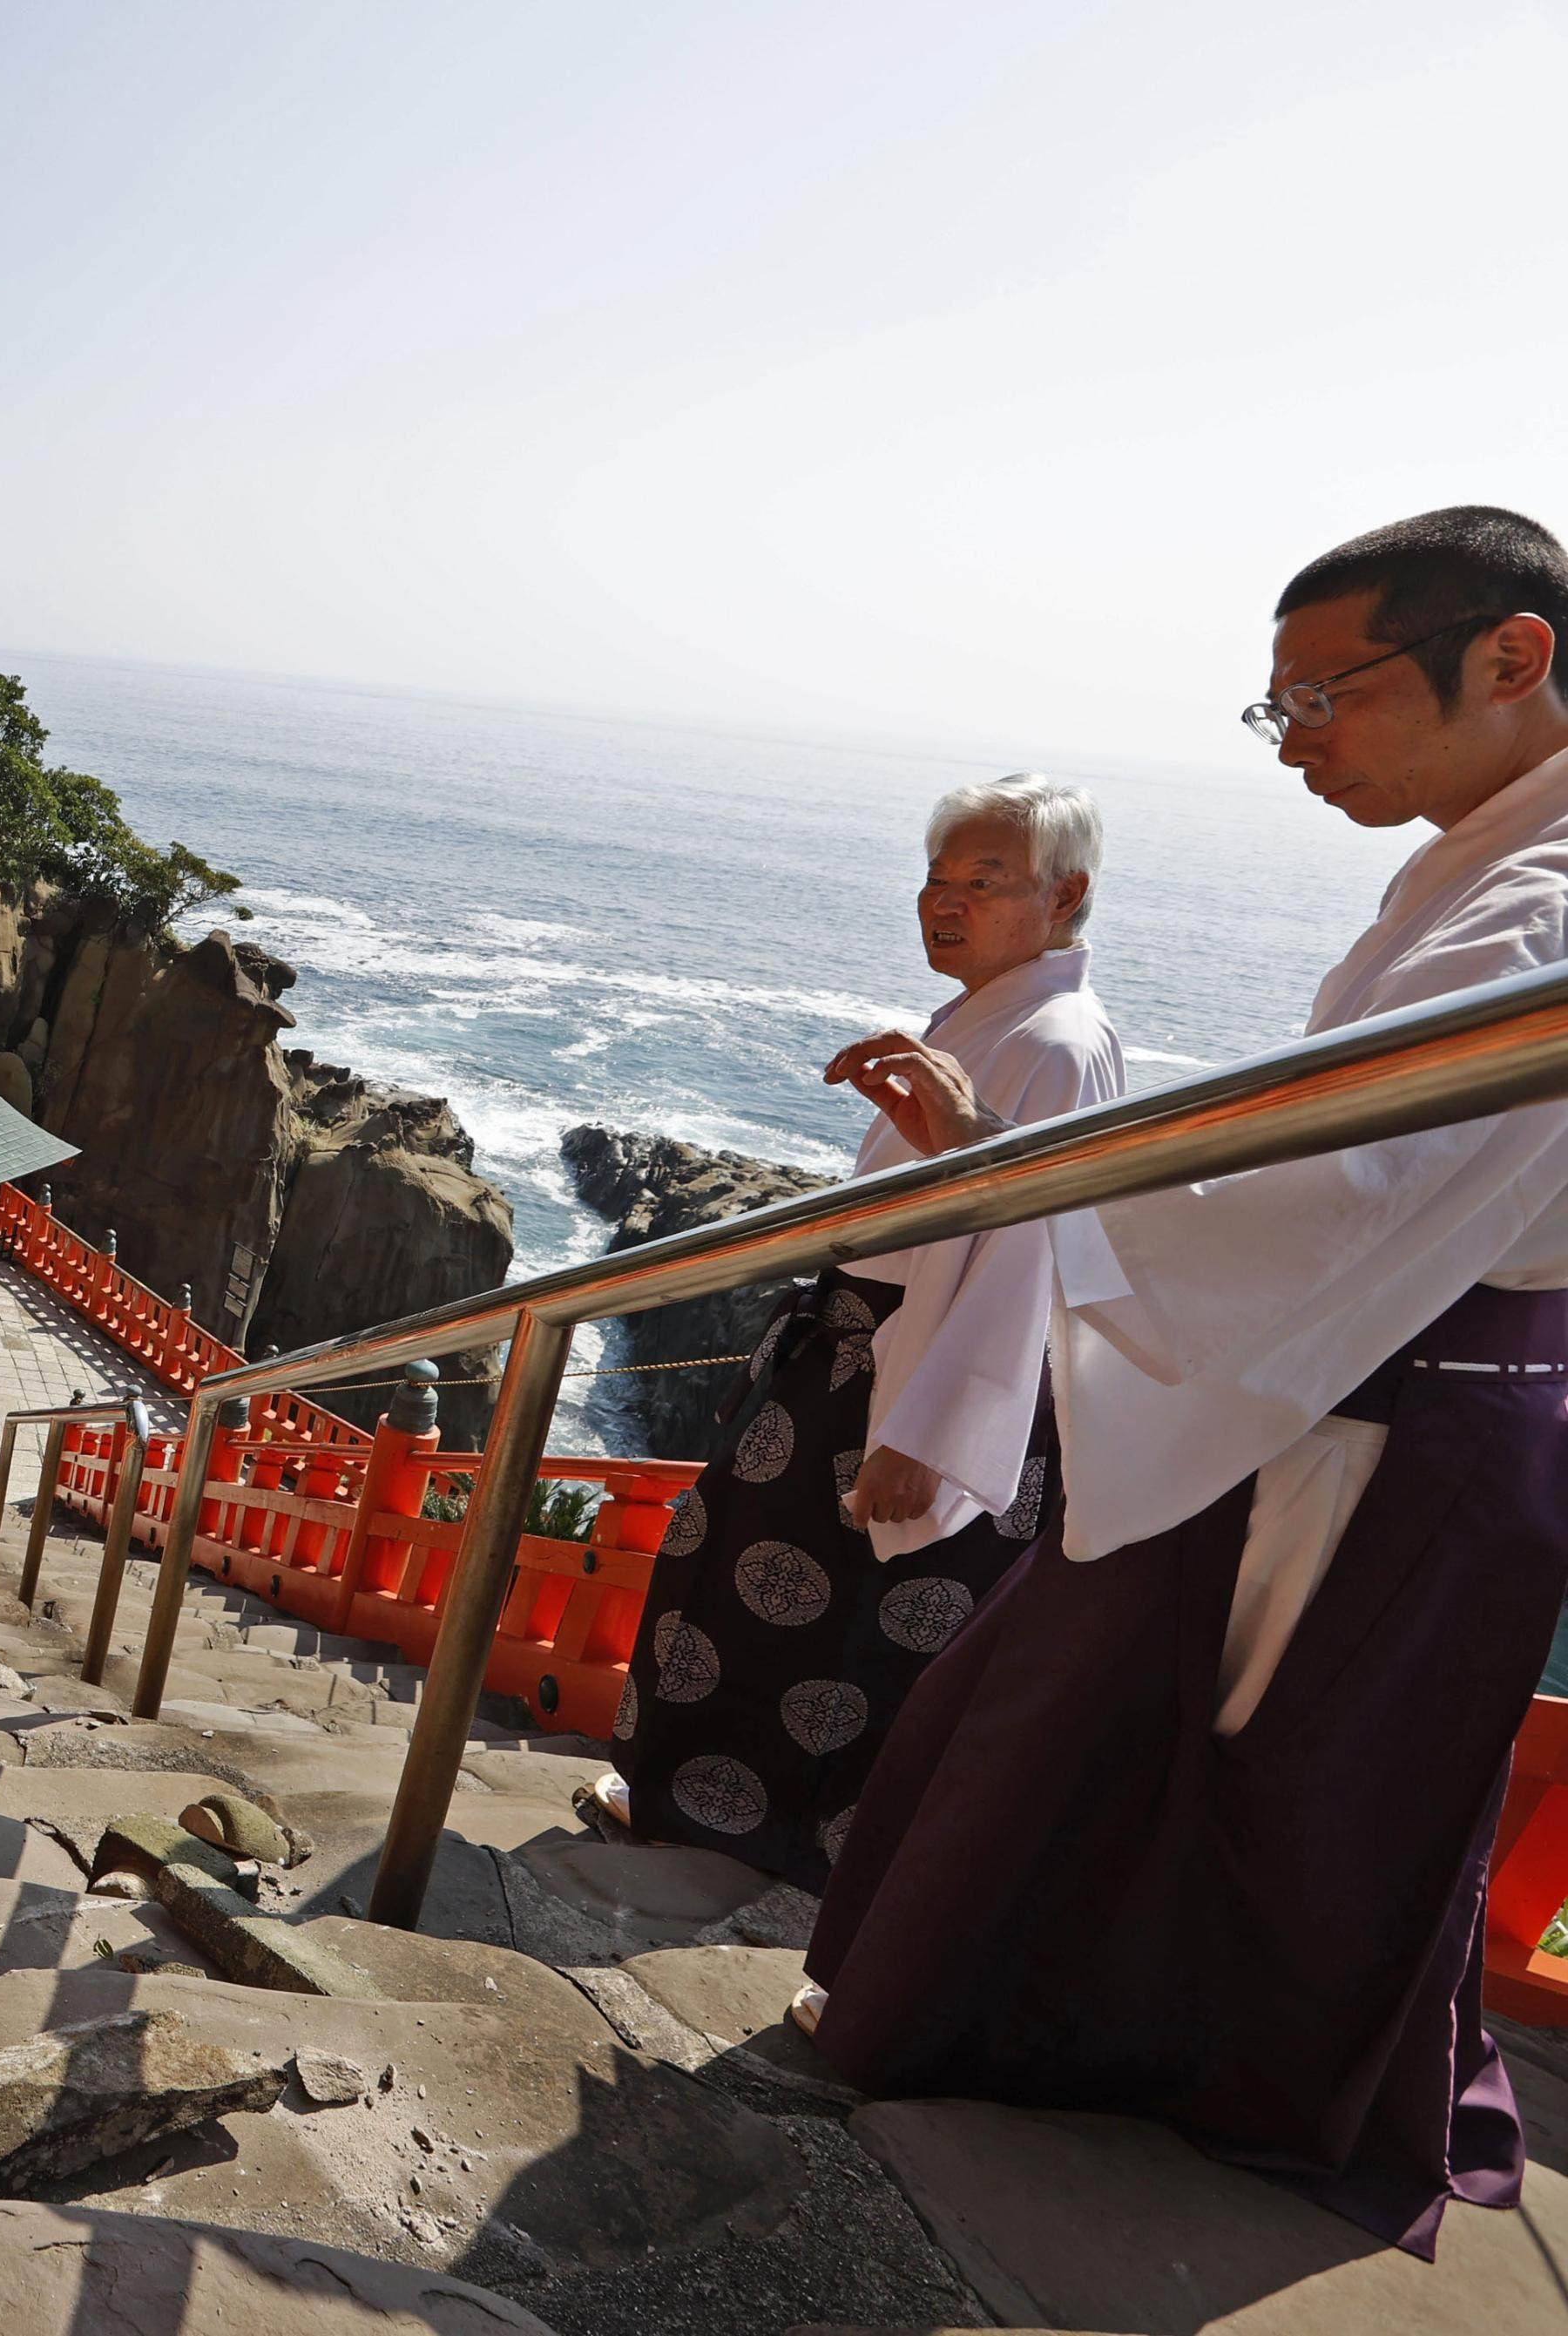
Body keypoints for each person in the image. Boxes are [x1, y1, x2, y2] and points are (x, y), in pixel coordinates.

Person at [805, 505, 1568, 2259]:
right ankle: (1112, 2060)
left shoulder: (1536, 904)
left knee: (1275, 1774)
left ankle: (1174, 2090)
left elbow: (1340, 1188)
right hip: (1385, 1382)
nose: (1294, 737)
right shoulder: (1485, 864)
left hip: (1402, 1403)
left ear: (1510, 658)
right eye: (1275, 703)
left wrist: (1013, 1159)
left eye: (1325, 694)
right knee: (1192, 1747)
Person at [588, 776, 1123, 1884]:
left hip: (912, 1367)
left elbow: (1026, 1251)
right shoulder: (999, 1016)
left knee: (841, 1624)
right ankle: (695, 1810)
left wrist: (930, 1429)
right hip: (857, 1347)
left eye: (983, 881)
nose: (944, 902)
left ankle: (772, 1844)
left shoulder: (1057, 1041)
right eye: (935, 878)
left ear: (1066, 895)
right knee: (736, 1573)